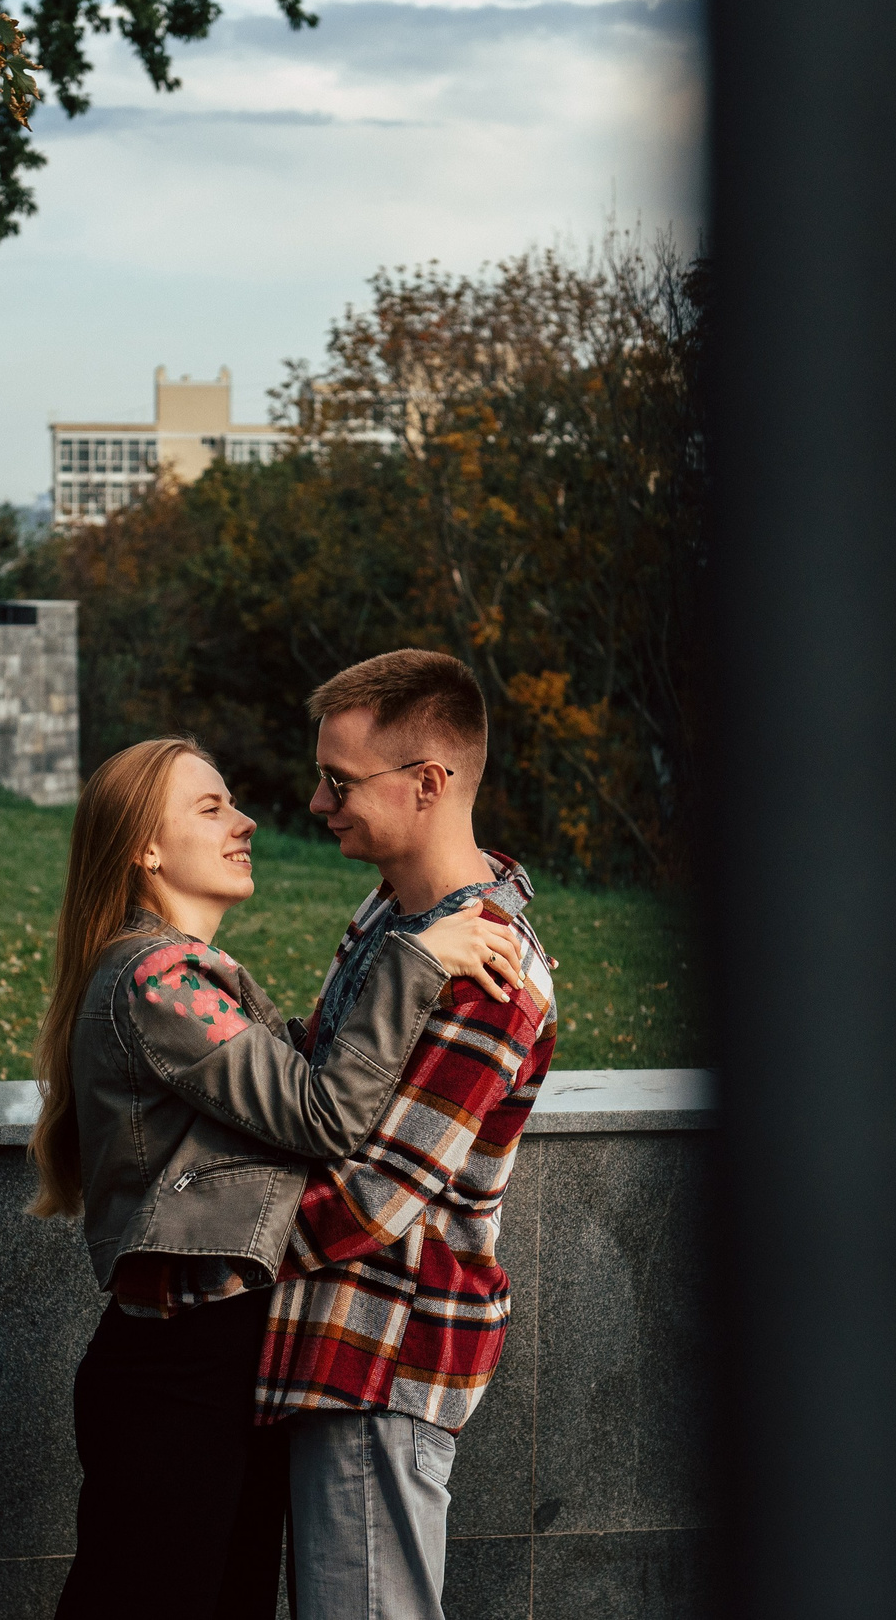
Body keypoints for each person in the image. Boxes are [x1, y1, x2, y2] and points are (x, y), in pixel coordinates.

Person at [31, 735, 527, 1620]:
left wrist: (443, 955)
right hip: (176, 1372)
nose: (247, 820)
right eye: (210, 807)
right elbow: (324, 1110)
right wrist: (418, 960)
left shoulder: (186, 976)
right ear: (146, 847)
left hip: (220, 1368)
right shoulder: (156, 980)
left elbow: (302, 1069)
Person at [255, 650, 559, 1620]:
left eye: (339, 780)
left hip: (383, 1358)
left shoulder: (491, 972)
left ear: (428, 783)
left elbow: (375, 1195)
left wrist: (211, 1253)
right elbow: (315, 1078)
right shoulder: (399, 912)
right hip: (334, 1344)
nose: (316, 799)